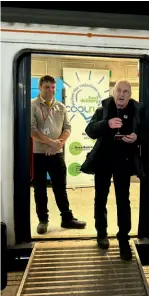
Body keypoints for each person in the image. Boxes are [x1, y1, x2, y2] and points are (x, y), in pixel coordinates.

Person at [80, 80, 143, 261]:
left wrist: (136, 137)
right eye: (118, 91)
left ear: (130, 95)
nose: (121, 95)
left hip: (124, 162)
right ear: (113, 92)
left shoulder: (136, 111)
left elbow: (146, 132)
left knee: (123, 201)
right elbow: (90, 130)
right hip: (103, 161)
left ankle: (124, 240)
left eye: (125, 91)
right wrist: (106, 124)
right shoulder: (103, 109)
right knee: (100, 198)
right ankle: (101, 233)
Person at [31, 75, 86, 234]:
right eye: (47, 87)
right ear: (40, 87)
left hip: (57, 153)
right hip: (39, 154)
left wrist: (58, 144)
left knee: (60, 188)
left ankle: (67, 218)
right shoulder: (33, 106)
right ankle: (43, 220)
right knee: (39, 189)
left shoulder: (61, 107)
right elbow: (32, 130)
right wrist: (50, 143)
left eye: (53, 87)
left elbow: (67, 128)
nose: (50, 90)